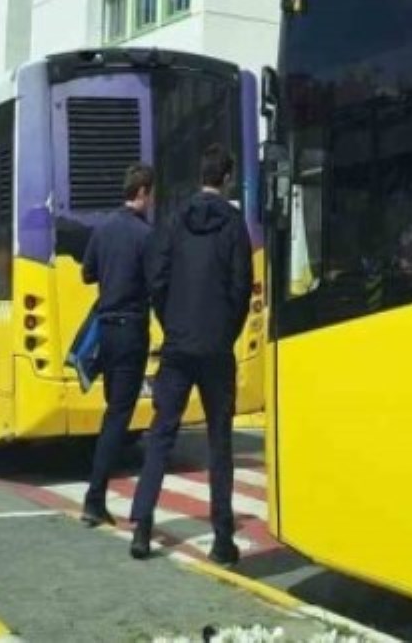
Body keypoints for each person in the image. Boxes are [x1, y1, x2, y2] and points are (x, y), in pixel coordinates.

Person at [131, 145, 253, 565]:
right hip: (217, 348)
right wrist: (226, 333)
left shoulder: (174, 220)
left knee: (162, 435)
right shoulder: (235, 225)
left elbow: (157, 278)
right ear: (228, 178)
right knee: (220, 441)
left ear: (200, 175)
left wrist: (171, 325)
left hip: (179, 346)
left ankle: (143, 527)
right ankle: (222, 538)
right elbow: (242, 287)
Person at [79, 164, 157, 527]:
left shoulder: (104, 229)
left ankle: (95, 496)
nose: (152, 200)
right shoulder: (145, 235)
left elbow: (87, 273)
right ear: (142, 192)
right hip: (130, 330)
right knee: (118, 417)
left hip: (105, 331)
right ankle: (94, 498)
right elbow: (157, 281)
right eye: (151, 193)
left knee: (114, 408)